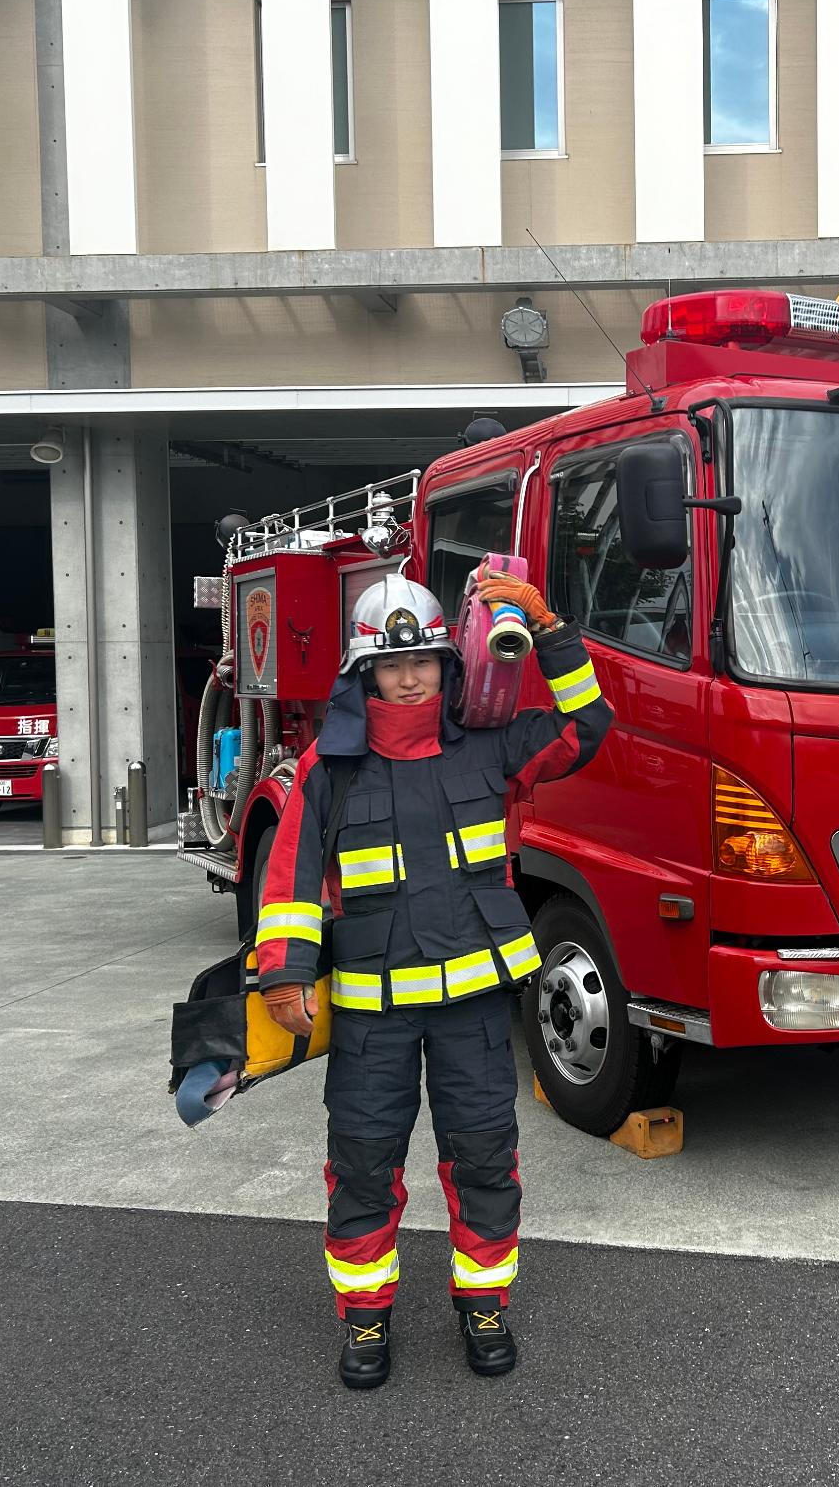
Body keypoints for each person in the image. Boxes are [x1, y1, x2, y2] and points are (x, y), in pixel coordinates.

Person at [253, 569, 609, 1391]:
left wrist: (549, 633)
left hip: (472, 1011)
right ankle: (365, 1317)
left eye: (423, 660)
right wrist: (286, 972)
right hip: (372, 1016)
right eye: (391, 664)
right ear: (364, 673)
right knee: (362, 1163)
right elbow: (291, 878)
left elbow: (586, 724)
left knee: (483, 1156)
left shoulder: (493, 747)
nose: (409, 677)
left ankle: (483, 1305)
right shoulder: (329, 767)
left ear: (452, 665)